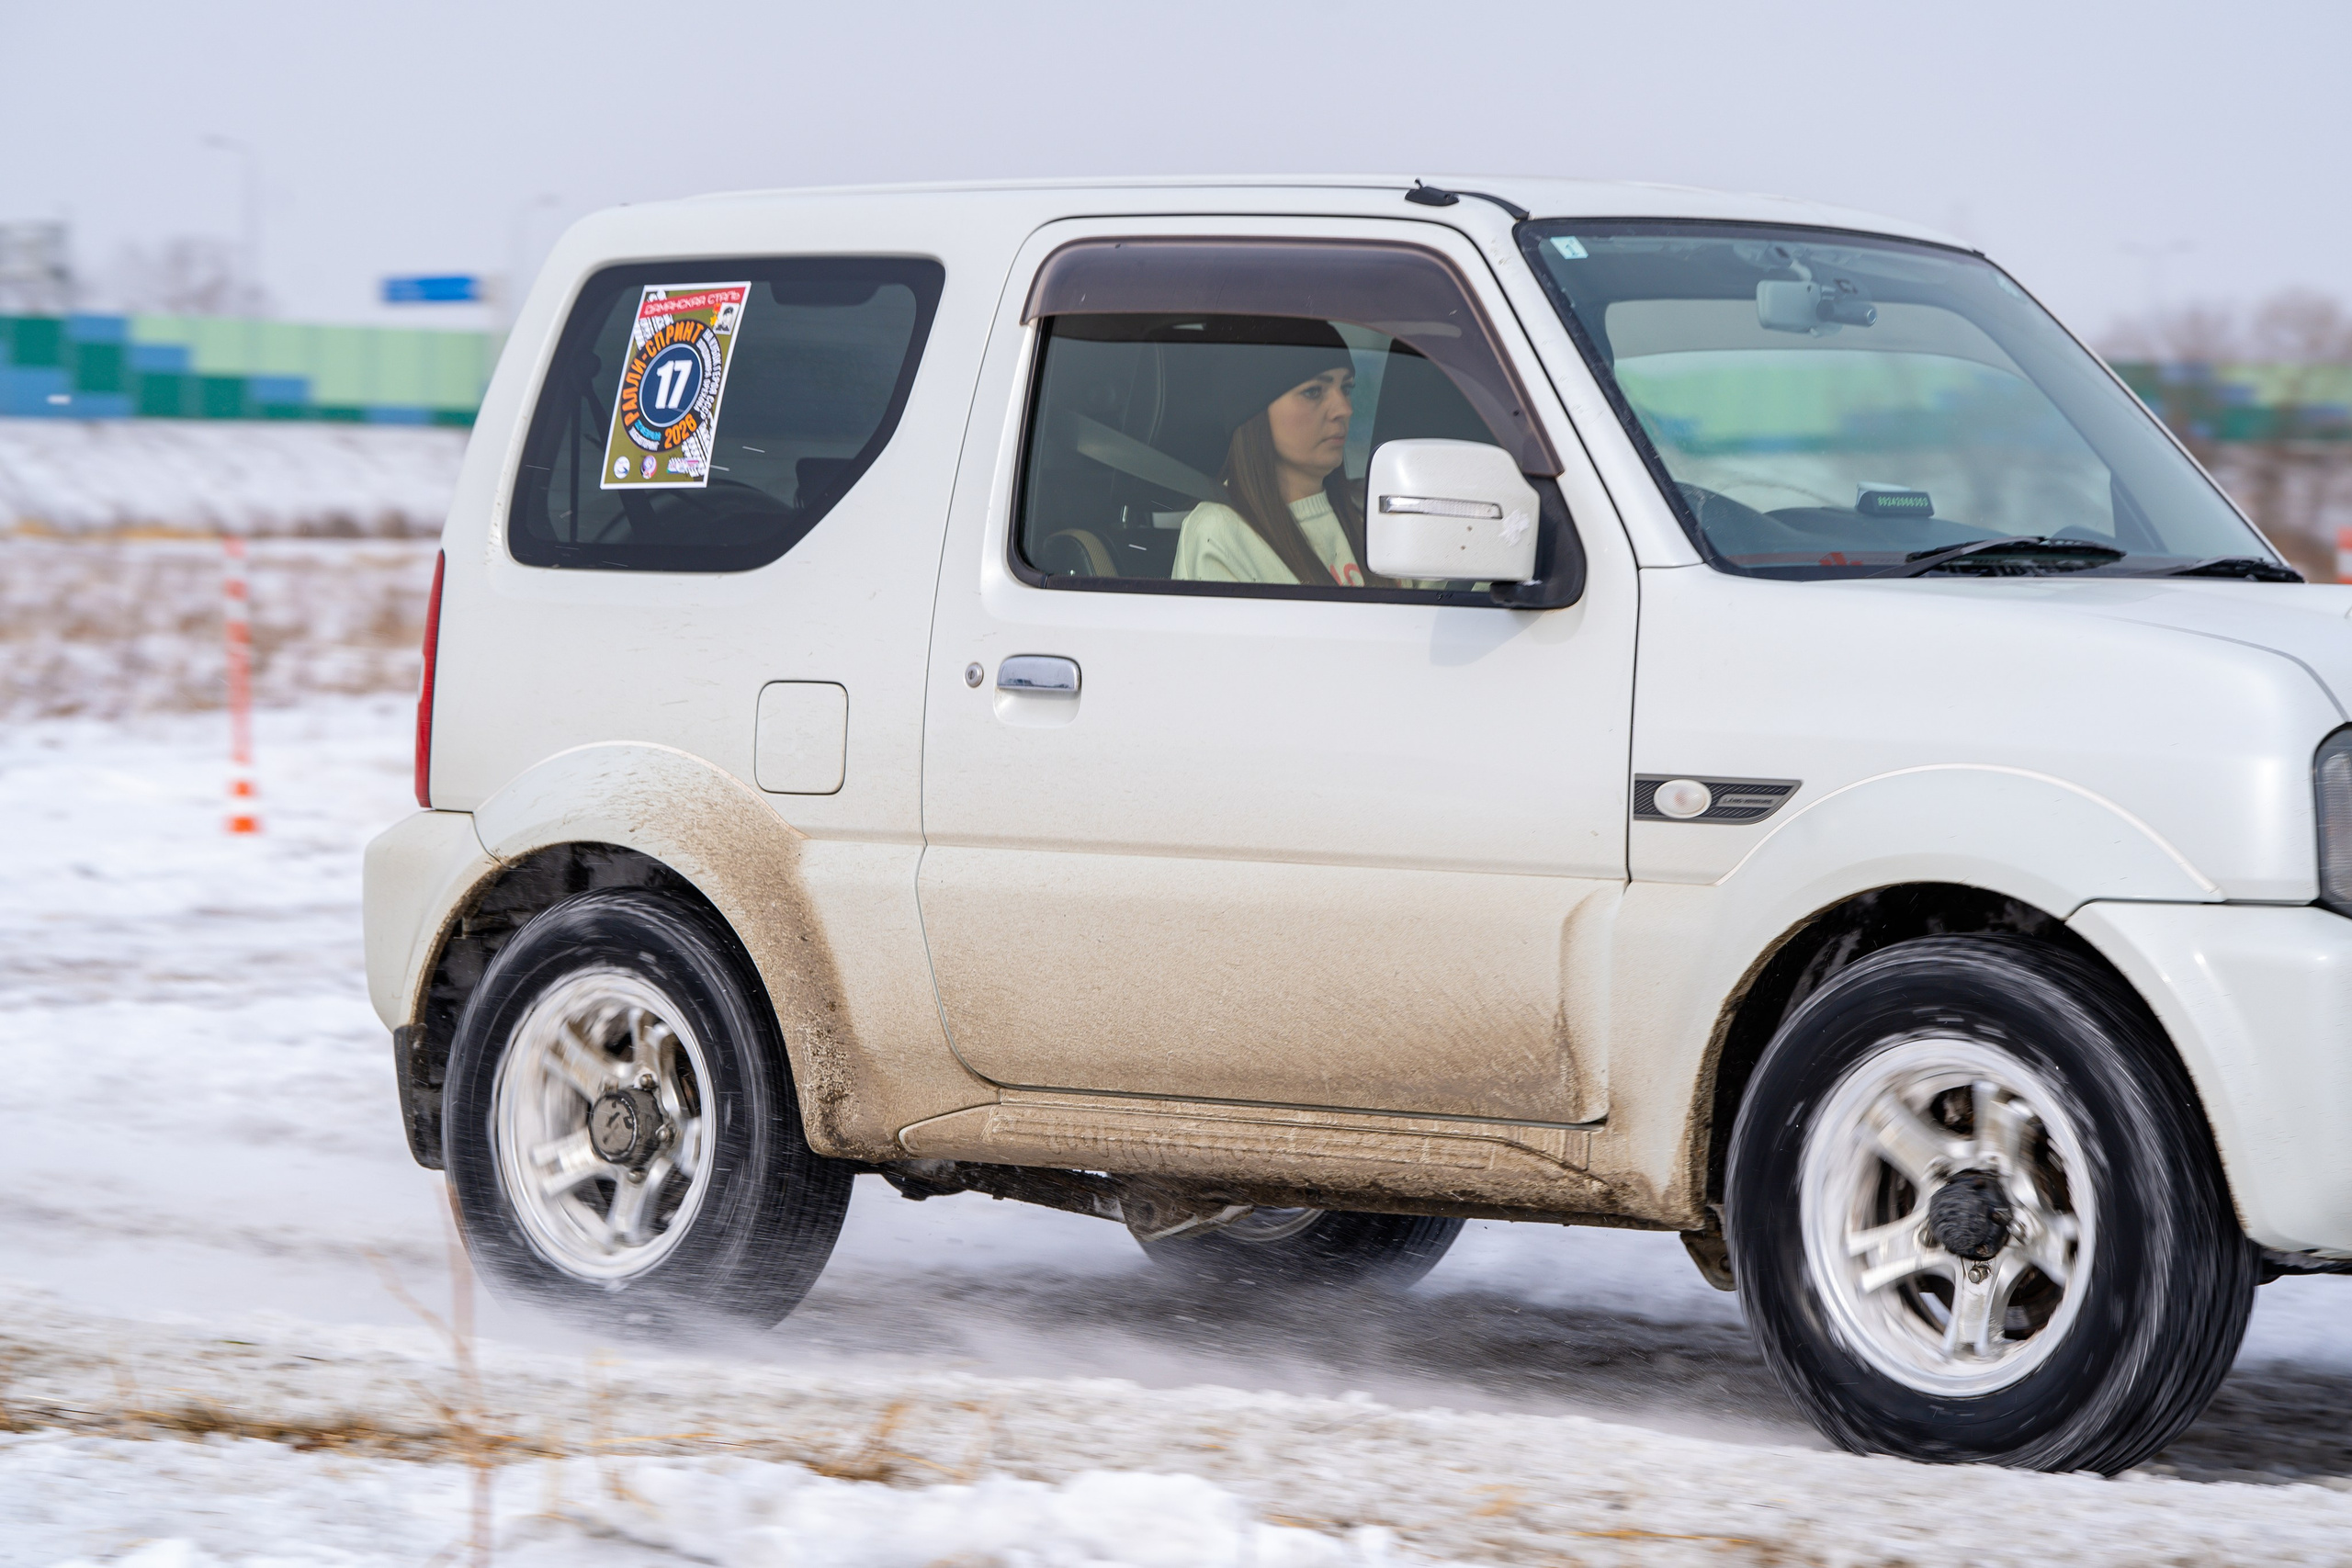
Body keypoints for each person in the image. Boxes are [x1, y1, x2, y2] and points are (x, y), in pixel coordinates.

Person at [1173, 321, 1382, 587]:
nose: (1344, 409)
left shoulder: (1369, 513)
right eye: (1313, 391)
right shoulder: (1220, 531)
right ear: (1254, 414)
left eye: (1346, 389)